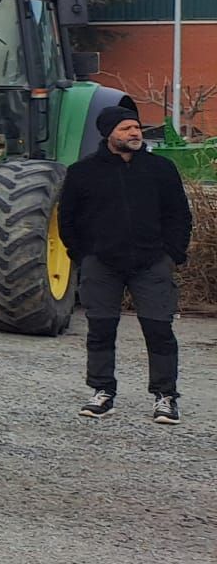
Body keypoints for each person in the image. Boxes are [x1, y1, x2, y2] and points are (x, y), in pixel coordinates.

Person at [59, 105, 193, 425]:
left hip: (151, 263)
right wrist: (84, 256)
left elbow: (179, 215)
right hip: (101, 264)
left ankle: (165, 397)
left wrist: (171, 254)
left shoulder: (161, 169)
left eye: (136, 128)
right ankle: (102, 392)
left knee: (159, 329)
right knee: (101, 329)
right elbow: (68, 220)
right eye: (126, 129)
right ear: (109, 134)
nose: (134, 133)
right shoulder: (82, 172)